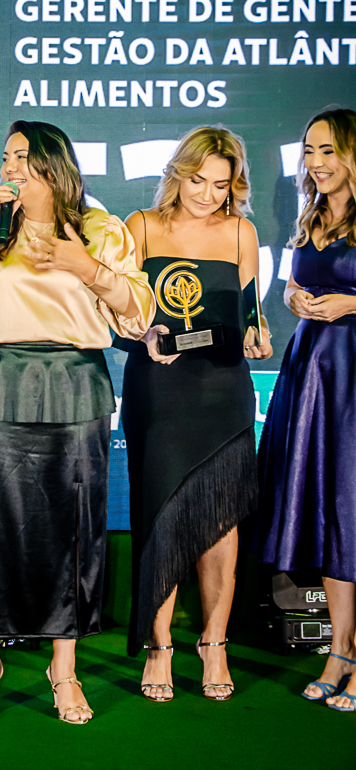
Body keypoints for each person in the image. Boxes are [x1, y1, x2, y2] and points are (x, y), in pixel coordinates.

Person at [0, 120, 154, 724]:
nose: (7, 167)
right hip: (4, 379)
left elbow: (138, 316)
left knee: (74, 529)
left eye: (19, 157)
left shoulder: (100, 229)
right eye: (5, 157)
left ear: (51, 164)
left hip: (75, 383)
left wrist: (85, 267)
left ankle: (64, 669)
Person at [118, 126, 272, 703]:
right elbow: (118, 313)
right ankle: (159, 647)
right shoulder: (142, 226)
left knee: (221, 525)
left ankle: (214, 643)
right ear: (177, 173)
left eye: (220, 183)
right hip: (159, 390)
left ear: (235, 186)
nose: (206, 193)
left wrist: (258, 336)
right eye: (196, 179)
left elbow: (252, 314)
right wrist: (142, 332)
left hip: (223, 393)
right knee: (160, 519)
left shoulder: (241, 232)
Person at [257, 108, 356, 711]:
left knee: (353, 508)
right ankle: (340, 649)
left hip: (352, 378)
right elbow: (302, 283)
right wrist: (293, 294)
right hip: (311, 375)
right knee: (327, 512)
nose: (316, 163)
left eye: (328, 150)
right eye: (310, 151)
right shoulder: (311, 214)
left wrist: (351, 305)